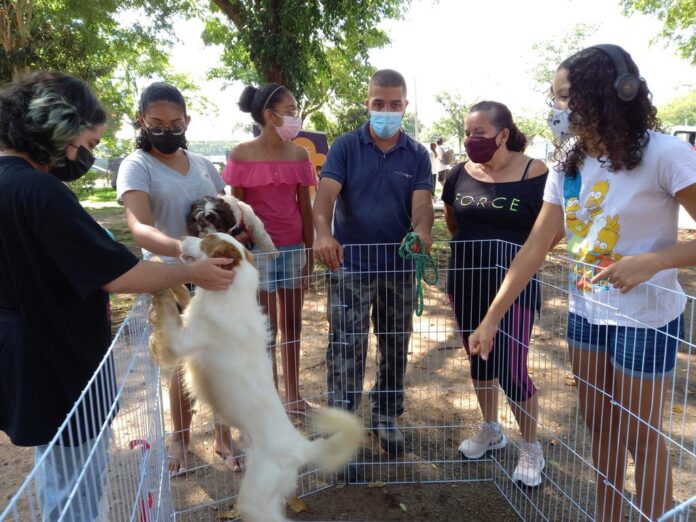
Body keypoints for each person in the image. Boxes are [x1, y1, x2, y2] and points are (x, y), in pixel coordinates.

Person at [468, 45, 696, 520]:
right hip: (587, 316)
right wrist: (491, 319)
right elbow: (534, 248)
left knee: (641, 435)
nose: (558, 109)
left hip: (646, 320)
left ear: (612, 93)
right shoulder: (567, 163)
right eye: (555, 98)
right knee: (602, 427)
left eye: (567, 96)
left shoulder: (666, 154)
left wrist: (654, 260)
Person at [0, 72, 235, 522]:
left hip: (24, 355)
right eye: (82, 144)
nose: (82, 156)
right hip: (58, 363)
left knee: (57, 472)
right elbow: (117, 272)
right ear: (56, 126)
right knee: (77, 484)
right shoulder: (41, 192)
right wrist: (192, 271)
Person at [117, 82, 241, 475]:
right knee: (182, 361)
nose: (167, 130)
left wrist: (236, 236)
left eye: (175, 123)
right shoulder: (136, 165)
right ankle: (180, 439)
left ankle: (223, 434)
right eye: (157, 123)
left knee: (222, 357)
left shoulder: (203, 164)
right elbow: (140, 229)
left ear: (187, 121)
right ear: (142, 121)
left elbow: (227, 209)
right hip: (172, 277)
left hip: (217, 274)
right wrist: (185, 251)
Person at [313, 69, 434, 455]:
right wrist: (322, 233)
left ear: (405, 106)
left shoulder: (416, 154)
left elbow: (422, 204)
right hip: (350, 267)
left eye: (394, 104)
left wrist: (422, 231)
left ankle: (385, 416)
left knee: (395, 344)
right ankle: (341, 429)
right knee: (346, 346)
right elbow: (325, 197)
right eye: (379, 104)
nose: (386, 111)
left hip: (398, 268)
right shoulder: (346, 147)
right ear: (368, 103)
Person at [442, 101, 548, 487]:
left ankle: (532, 448)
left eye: (479, 133)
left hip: (515, 286)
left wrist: (516, 261)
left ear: (503, 135)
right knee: (479, 361)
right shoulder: (459, 173)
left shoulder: (535, 172)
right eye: (468, 133)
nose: (471, 140)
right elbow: (453, 218)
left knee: (512, 368)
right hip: (466, 279)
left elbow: (548, 232)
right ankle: (491, 429)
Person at [222, 83, 316, 416]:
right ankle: (269, 399)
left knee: (293, 324)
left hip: (293, 251)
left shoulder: (299, 154)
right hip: (258, 256)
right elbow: (238, 213)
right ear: (268, 114)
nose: (295, 116)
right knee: (267, 328)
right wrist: (243, 258)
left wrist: (310, 255)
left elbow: (305, 208)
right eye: (289, 110)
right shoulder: (241, 154)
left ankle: (294, 396)